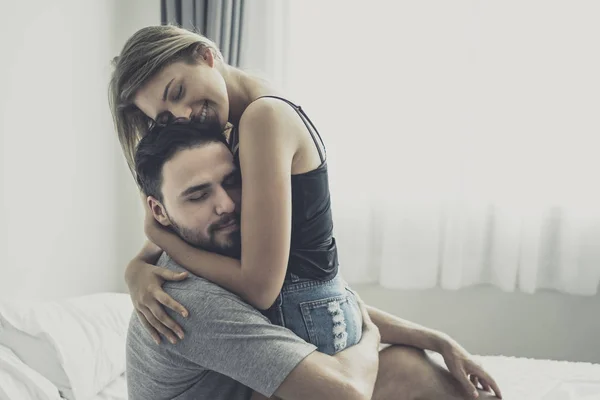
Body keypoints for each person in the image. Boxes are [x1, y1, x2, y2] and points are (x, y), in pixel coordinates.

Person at [126, 119, 502, 400]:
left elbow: (324, 306)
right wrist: (369, 338)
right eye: (197, 196)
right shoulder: (186, 299)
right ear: (158, 211)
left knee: (407, 362)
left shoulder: (218, 248)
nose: (226, 205)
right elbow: (347, 393)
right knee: (401, 369)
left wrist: (440, 341)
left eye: (232, 181)